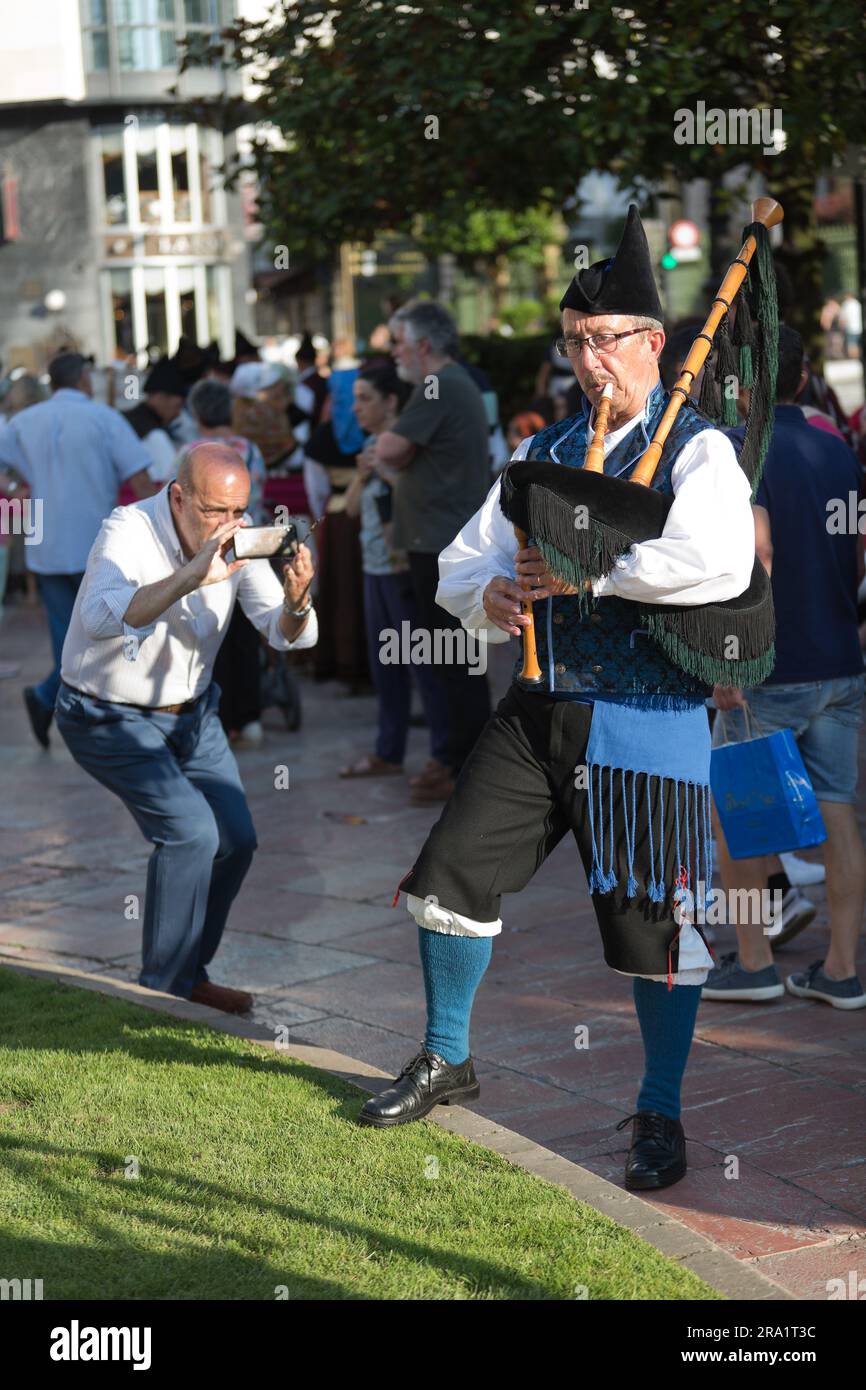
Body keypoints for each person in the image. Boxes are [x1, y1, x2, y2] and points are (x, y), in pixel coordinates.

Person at [358, 207, 757, 1194]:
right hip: (536, 711)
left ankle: (659, 1108)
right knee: (447, 884)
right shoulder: (542, 455)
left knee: (655, 931)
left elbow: (715, 559)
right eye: (575, 342)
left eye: (606, 340)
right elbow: (467, 563)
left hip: (646, 719)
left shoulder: (696, 451)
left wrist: (590, 571)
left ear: (653, 344)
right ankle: (447, 1056)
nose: (589, 360)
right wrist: (485, 596)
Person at [54, 443, 317, 1013]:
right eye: (215, 512)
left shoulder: (237, 540)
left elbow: (284, 630)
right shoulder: (127, 529)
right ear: (178, 497)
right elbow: (100, 616)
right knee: (192, 832)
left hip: (192, 713)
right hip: (106, 714)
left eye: (240, 511)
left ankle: (187, 972)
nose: (231, 525)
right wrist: (192, 575)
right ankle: (161, 996)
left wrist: (296, 600)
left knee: (237, 840)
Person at [704, 325, 866, 1009]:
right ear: (803, 379)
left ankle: (753, 962)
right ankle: (841, 968)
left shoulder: (746, 451)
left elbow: (758, 553)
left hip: (767, 665)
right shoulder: (836, 444)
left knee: (738, 814)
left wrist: (730, 659)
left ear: (739, 386)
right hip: (839, 658)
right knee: (839, 815)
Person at [0, 352, 154, 746]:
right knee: (110, 633)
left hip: (46, 540)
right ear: (85, 377)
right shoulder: (104, 419)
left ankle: (57, 700)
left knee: (66, 636)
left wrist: (19, 491)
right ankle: (75, 707)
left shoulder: (22, 421)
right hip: (98, 543)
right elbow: (140, 480)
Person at [373, 300, 493, 803]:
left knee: (452, 659)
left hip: (442, 545)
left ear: (422, 345)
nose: (394, 352)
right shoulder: (447, 383)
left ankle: (462, 761)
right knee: (453, 658)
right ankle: (461, 758)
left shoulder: (436, 384)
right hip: (442, 541)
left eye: (399, 341)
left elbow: (390, 450)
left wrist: (381, 448)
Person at [339, 361, 450, 778]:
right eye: (355, 400)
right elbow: (350, 508)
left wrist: (384, 471)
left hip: (404, 566)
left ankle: (444, 755)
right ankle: (388, 752)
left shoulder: (404, 445)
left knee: (424, 664)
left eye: (365, 399)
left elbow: (419, 497)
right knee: (385, 668)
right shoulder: (371, 447)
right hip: (374, 568)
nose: (357, 409)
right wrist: (363, 474)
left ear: (389, 402)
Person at [186, 377, 268, 749]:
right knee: (246, 633)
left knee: (210, 632)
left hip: (208, 553)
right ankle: (249, 718)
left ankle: (218, 716)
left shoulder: (189, 454)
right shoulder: (250, 448)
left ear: (196, 413)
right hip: (251, 544)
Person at [123, 359, 188, 482]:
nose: (177, 413)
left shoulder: (122, 420)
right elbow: (171, 481)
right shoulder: (155, 436)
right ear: (160, 397)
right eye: (177, 406)